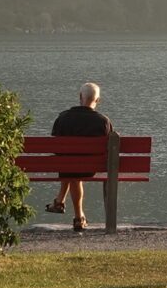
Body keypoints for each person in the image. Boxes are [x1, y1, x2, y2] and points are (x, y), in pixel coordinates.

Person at [45, 82, 117, 230]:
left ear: (80, 97)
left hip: (67, 166)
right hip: (93, 167)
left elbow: (56, 148)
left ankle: (74, 213)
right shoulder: (104, 121)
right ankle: (69, 209)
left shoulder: (63, 118)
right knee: (73, 164)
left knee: (70, 164)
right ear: (97, 100)